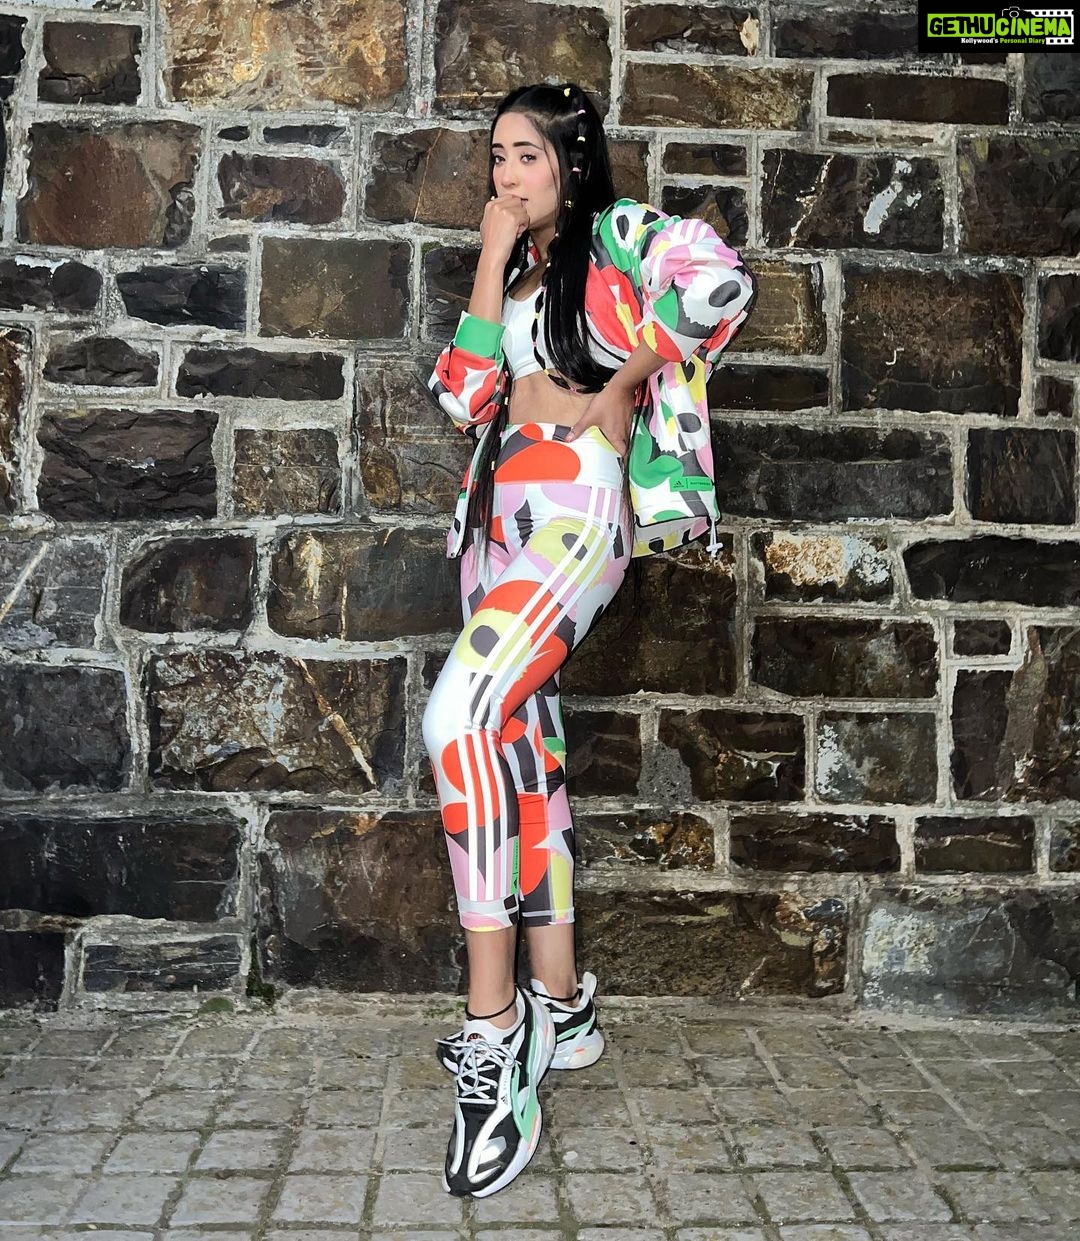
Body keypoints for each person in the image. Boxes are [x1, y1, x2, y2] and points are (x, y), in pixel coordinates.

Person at [422, 82, 755, 1199]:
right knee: (521, 749)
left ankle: (496, 1026)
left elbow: (715, 281)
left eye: (525, 154)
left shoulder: (614, 236)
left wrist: (622, 383)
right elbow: (464, 395)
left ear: (570, 157)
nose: (506, 174)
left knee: (458, 717)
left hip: (574, 507)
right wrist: (490, 254)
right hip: (494, 525)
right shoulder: (516, 265)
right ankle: (563, 1005)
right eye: (495, 158)